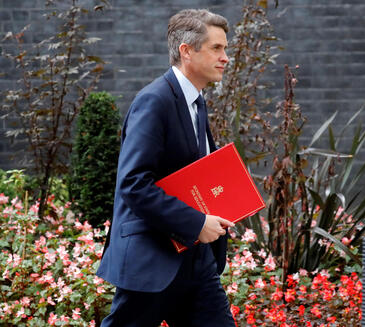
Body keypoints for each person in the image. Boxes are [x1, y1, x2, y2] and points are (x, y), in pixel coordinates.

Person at [97, 9, 236, 327]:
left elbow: (192, 176)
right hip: (153, 259)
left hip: (195, 260)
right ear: (187, 51)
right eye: (217, 48)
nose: (225, 57)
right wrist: (196, 222)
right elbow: (133, 184)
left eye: (224, 48)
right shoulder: (154, 101)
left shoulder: (197, 103)